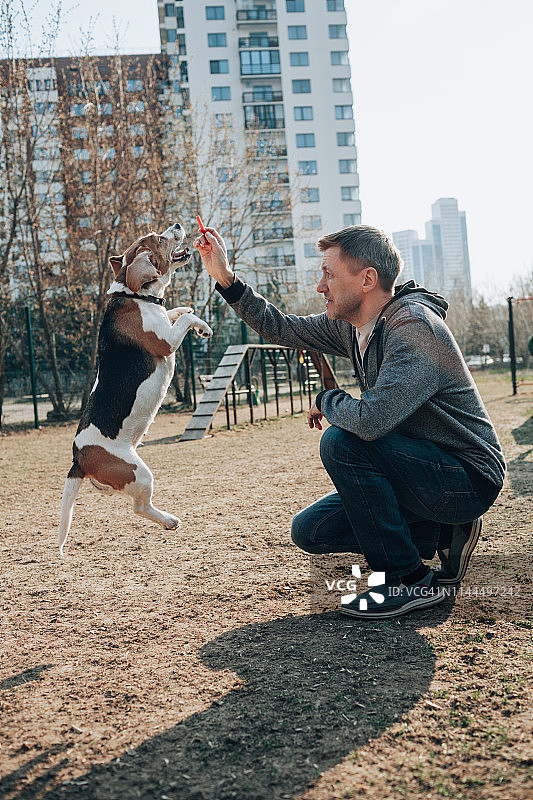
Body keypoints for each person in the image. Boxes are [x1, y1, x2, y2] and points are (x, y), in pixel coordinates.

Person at [194, 225, 505, 619]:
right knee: (312, 531)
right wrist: (225, 277)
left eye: (328, 273)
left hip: (466, 478)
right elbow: (281, 327)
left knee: (342, 442)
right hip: (419, 472)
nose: (320, 285)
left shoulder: (413, 329)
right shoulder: (352, 325)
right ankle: (441, 531)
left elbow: (371, 422)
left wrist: (327, 399)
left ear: (366, 280)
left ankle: (408, 580)